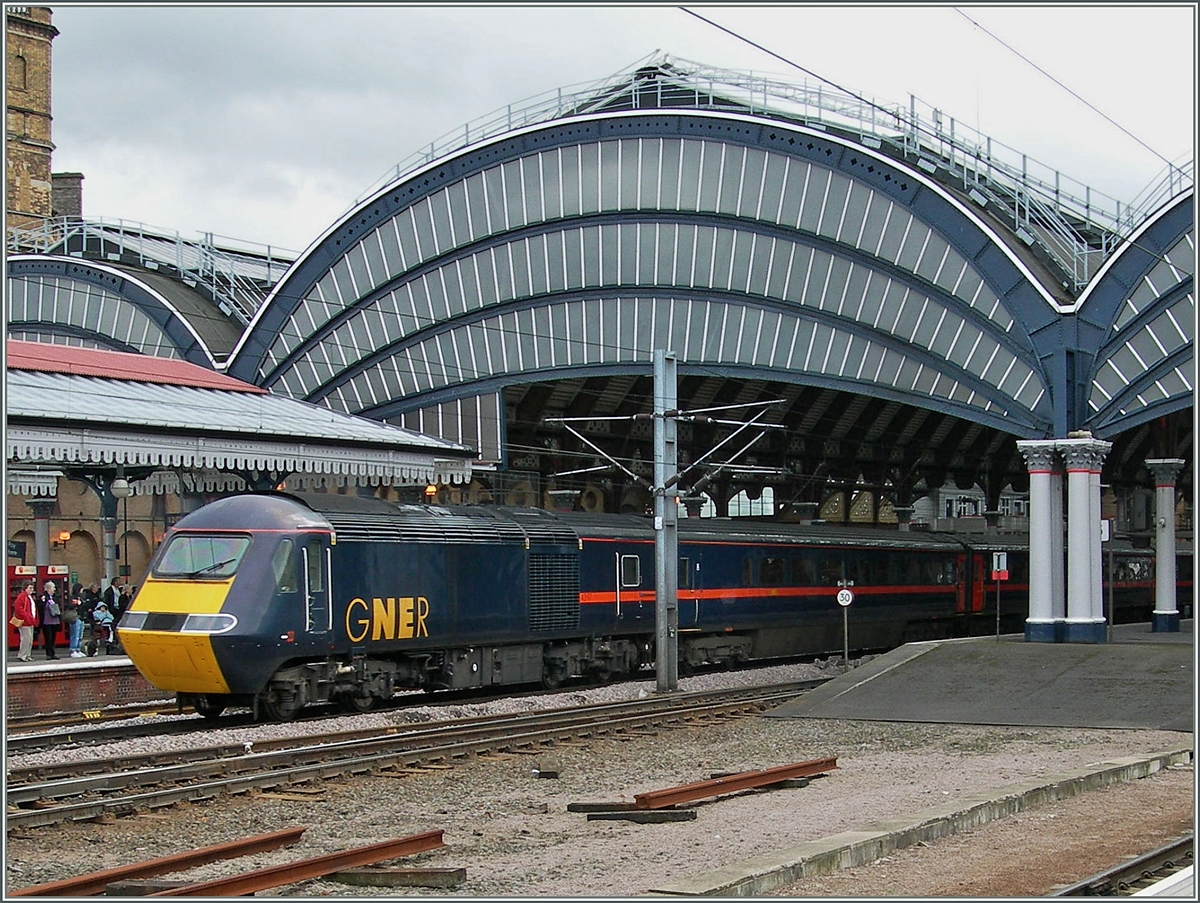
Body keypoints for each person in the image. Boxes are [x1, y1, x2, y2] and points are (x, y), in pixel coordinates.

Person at [11, 581, 38, 661]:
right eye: (30, 588)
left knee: (30, 639)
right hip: (25, 621)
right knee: (26, 638)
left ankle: (27, 655)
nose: (32, 589)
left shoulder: (29, 597)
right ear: (25, 588)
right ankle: (22, 655)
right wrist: (27, 616)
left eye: (32, 588)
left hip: (30, 621)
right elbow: (18, 608)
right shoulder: (22, 596)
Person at [39, 580, 62, 660]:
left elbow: (59, 606)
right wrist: (43, 601)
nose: (54, 589)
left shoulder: (55, 597)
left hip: (54, 620)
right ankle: (48, 654)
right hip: (46, 620)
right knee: (48, 637)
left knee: (53, 637)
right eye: (53, 588)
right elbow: (40, 607)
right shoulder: (43, 596)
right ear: (48, 589)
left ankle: (53, 653)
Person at [63, 586, 85, 657]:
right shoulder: (72, 597)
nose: (82, 590)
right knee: (75, 634)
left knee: (80, 635)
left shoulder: (81, 597)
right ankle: (73, 650)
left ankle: (78, 649)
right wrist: (76, 603)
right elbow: (69, 606)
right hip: (75, 618)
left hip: (81, 617)